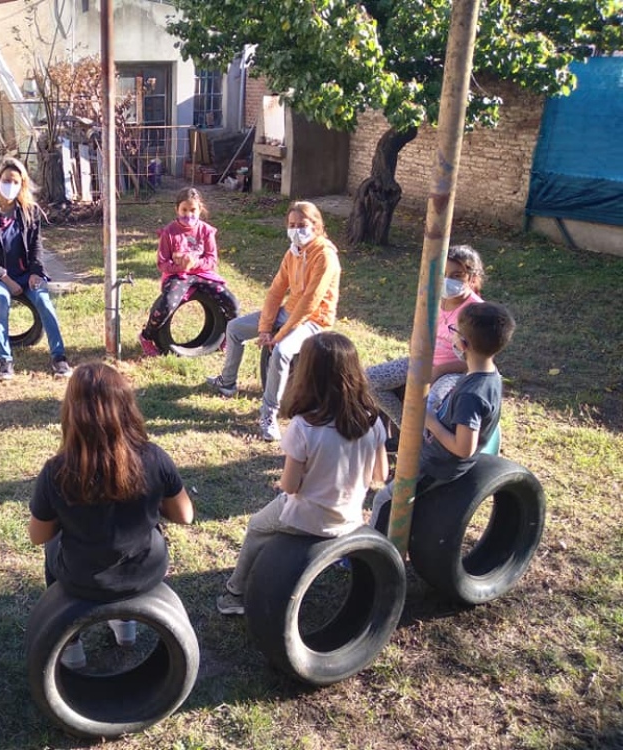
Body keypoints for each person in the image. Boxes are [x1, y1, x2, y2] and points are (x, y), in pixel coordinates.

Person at [28, 363, 194, 668]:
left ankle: (72, 645)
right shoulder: (154, 457)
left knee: (54, 547)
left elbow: (39, 536)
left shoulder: (56, 471)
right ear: (126, 407)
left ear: (71, 413)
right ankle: (124, 624)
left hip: (82, 578)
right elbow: (185, 515)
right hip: (146, 571)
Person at [216, 332, 388, 615]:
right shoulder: (373, 421)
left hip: (307, 517)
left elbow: (291, 486)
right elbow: (380, 474)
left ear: (308, 374)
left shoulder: (304, 426)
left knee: (258, 526)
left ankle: (235, 593)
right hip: (349, 517)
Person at [370, 302, 516, 530]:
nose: (453, 338)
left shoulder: (471, 393)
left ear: (464, 344)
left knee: (384, 500)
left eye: (454, 333)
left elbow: (463, 447)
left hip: (438, 465)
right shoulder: (490, 375)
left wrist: (430, 420)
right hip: (438, 456)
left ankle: (369, 560)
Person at [206, 200, 340, 443]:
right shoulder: (293, 252)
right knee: (234, 328)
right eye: (292, 224)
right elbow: (276, 291)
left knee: (281, 352)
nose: (296, 229)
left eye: (302, 225)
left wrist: (277, 336)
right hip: (287, 312)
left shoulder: (326, 256)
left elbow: (310, 302)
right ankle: (227, 382)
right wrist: (265, 328)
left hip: (314, 320)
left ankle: (268, 414)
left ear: (317, 226)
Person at [0, 157, 72, 381]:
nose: (10, 186)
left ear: (22, 184)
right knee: (1, 300)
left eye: (16, 182)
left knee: (44, 301)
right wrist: (6, 280)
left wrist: (36, 272)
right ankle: (5, 361)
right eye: (6, 180)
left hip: (27, 273)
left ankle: (59, 357)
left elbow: (36, 246)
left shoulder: (30, 211)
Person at [366, 244, 486, 431]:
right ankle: (407, 430)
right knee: (369, 380)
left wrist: (439, 371)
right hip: (424, 361)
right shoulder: (434, 300)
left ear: (472, 277)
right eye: (444, 274)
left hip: (453, 372)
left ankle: (427, 443)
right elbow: (420, 331)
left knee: (431, 402)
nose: (448, 280)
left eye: (456, 275)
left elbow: (477, 361)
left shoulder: (476, 311)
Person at [138, 187, 239, 356]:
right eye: (184, 210)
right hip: (178, 275)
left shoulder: (206, 231)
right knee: (168, 303)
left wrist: (195, 264)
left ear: (200, 209)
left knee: (231, 302)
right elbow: (162, 263)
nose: (188, 214)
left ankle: (227, 335)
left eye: (193, 210)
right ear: (177, 209)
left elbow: (212, 260)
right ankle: (146, 336)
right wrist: (181, 267)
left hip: (202, 273)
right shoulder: (169, 232)